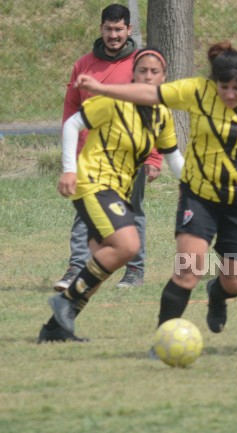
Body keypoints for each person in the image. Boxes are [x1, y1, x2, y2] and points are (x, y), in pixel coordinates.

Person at [73, 41, 237, 346]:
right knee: (188, 271)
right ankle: (163, 340)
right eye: (223, 87)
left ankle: (217, 295)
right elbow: (150, 93)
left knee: (236, 281)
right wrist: (102, 88)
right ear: (213, 82)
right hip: (200, 196)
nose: (229, 94)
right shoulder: (196, 91)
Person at [41, 48, 183, 342]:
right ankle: (66, 301)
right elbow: (73, 123)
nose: (147, 76)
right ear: (133, 74)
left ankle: (54, 330)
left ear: (163, 77)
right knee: (127, 245)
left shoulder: (161, 115)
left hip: (118, 192)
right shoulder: (116, 101)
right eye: (142, 70)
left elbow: (174, 159)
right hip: (93, 182)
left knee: (105, 261)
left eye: (154, 72)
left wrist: (200, 185)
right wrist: (69, 169)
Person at [54, 3, 161, 292]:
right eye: (108, 29)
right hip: (90, 158)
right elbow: (71, 110)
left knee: (132, 210)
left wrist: (153, 156)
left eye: (119, 29)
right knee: (84, 213)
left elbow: (154, 109)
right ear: (101, 29)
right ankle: (77, 267)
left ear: (129, 30)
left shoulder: (141, 65)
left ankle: (134, 271)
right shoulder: (84, 64)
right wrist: (72, 157)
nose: (113, 35)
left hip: (130, 158)